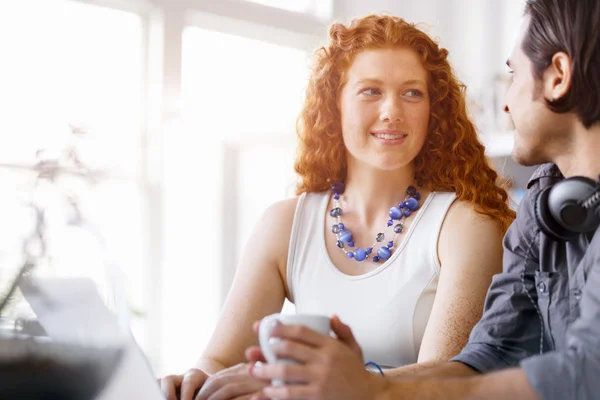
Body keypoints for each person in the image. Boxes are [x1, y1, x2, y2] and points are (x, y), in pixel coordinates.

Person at [246, 0, 600, 399]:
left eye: (513, 74)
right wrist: (352, 382)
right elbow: (489, 354)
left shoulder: (465, 225)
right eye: (370, 91)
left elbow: (585, 373)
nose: (505, 103)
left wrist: (370, 391)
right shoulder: (544, 207)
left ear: (557, 77)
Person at [159, 14, 516, 400]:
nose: (392, 111)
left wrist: (326, 384)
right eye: (370, 91)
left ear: (435, 111)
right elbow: (219, 361)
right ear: (334, 104)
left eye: (413, 93)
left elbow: (449, 379)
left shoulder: (465, 225)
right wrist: (192, 381)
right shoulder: (284, 224)